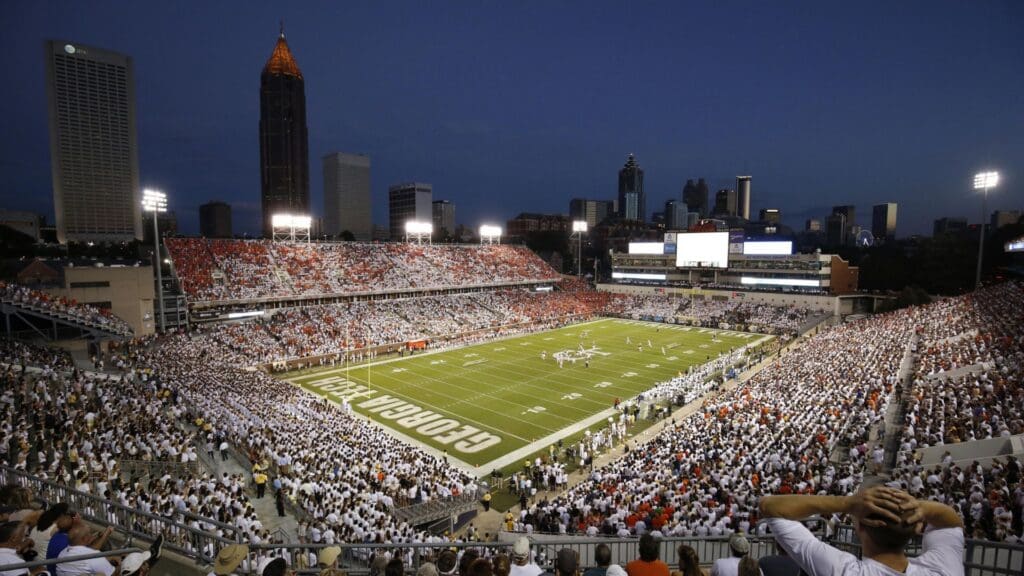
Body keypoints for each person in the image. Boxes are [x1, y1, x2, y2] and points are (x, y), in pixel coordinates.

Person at [759, 484, 964, 576]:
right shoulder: (943, 570)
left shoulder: (844, 571)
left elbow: (770, 506)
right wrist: (918, 506)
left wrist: (846, 502)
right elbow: (951, 522)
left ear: (860, 527)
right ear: (917, 525)